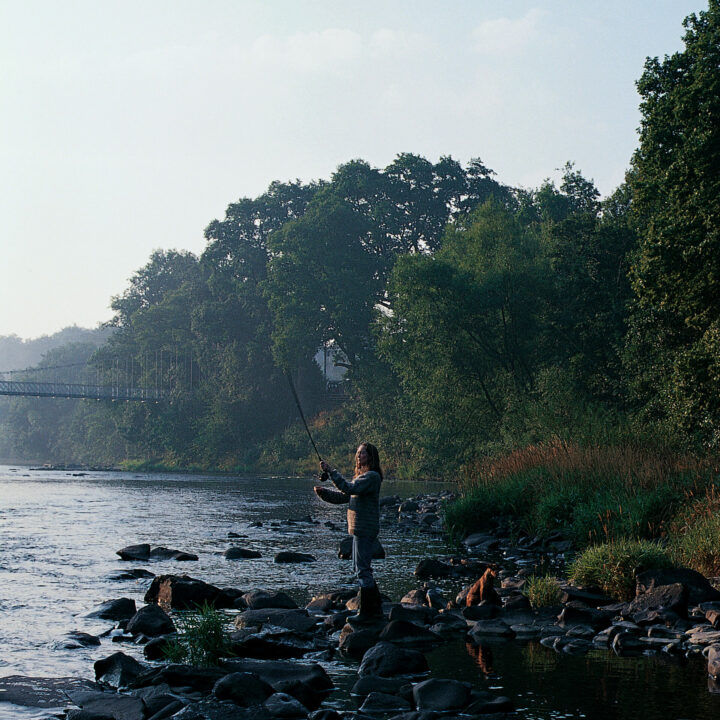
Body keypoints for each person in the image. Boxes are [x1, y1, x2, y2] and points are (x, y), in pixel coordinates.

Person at [315, 442, 384, 622]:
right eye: (358, 453)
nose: (358, 456)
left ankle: (367, 613)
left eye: (362, 453)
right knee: (361, 568)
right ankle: (375, 608)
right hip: (360, 529)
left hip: (365, 529)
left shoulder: (371, 477)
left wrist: (331, 471)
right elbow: (344, 496)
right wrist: (324, 493)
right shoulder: (363, 478)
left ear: (371, 457)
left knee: (362, 570)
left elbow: (348, 488)